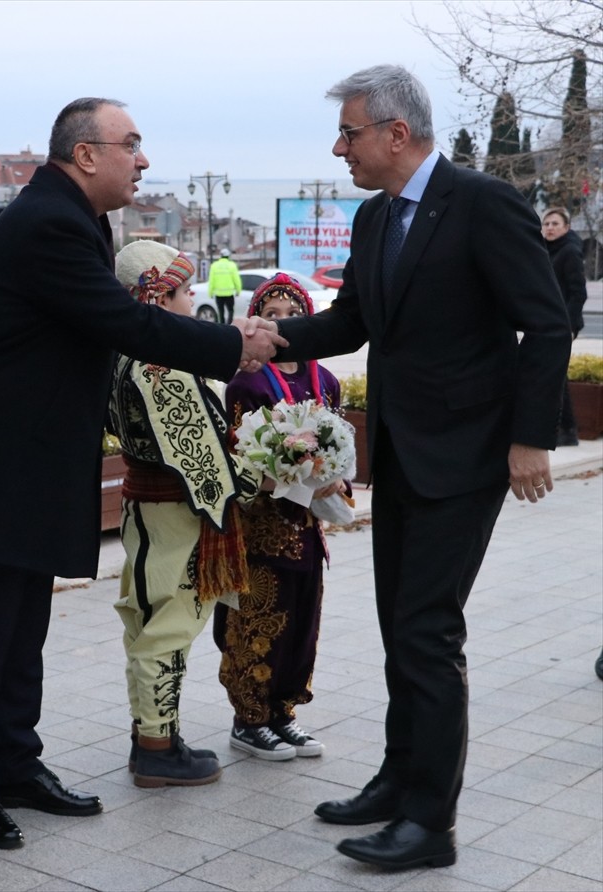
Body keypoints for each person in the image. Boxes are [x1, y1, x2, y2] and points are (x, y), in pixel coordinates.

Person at [0, 96, 286, 850]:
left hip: (34, 462)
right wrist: (229, 345)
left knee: (23, 630)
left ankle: (15, 764)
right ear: (84, 155)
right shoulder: (50, 223)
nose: (143, 160)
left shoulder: (72, 217)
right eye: (130, 145)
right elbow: (126, 323)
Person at [266, 65, 570, 870]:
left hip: (466, 455)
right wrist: (265, 339)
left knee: (428, 633)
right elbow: (353, 321)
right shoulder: (376, 218)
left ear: (396, 133)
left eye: (349, 134)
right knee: (401, 627)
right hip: (401, 453)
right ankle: (399, 780)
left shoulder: (482, 204)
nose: (340, 149)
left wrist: (530, 439)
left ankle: (430, 824)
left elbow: (546, 324)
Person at [109, 240, 263, 788]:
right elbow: (205, 462)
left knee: (146, 621)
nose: (192, 296)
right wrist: (273, 473)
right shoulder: (160, 367)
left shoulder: (124, 352)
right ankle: (157, 747)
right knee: (168, 626)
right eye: (181, 289)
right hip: (176, 514)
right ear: (156, 297)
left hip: (146, 507)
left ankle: (153, 734)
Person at [216, 273, 345, 762]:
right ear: (256, 323)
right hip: (260, 529)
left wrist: (334, 478)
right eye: (271, 314)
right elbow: (238, 457)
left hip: (307, 530)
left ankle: (283, 713)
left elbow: (338, 447)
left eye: (292, 314)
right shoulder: (245, 381)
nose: (282, 322)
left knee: (302, 624)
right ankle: (249, 719)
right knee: (257, 622)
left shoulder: (325, 380)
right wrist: (286, 475)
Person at [542, 207, 587, 447]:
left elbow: (578, 292)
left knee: (555, 375)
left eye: (555, 224)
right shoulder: (546, 250)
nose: (550, 228)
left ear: (566, 227)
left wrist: (568, 327)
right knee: (555, 374)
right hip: (548, 323)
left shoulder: (569, 251)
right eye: (546, 223)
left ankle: (568, 430)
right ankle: (565, 429)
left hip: (563, 324)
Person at [208, 247, 242, 324]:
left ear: (220, 255)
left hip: (218, 294)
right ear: (228, 256)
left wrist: (210, 293)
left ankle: (222, 326)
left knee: (221, 312)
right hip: (229, 294)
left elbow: (211, 281)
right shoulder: (232, 265)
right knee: (230, 310)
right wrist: (238, 291)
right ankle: (229, 325)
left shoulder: (214, 265)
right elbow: (236, 280)